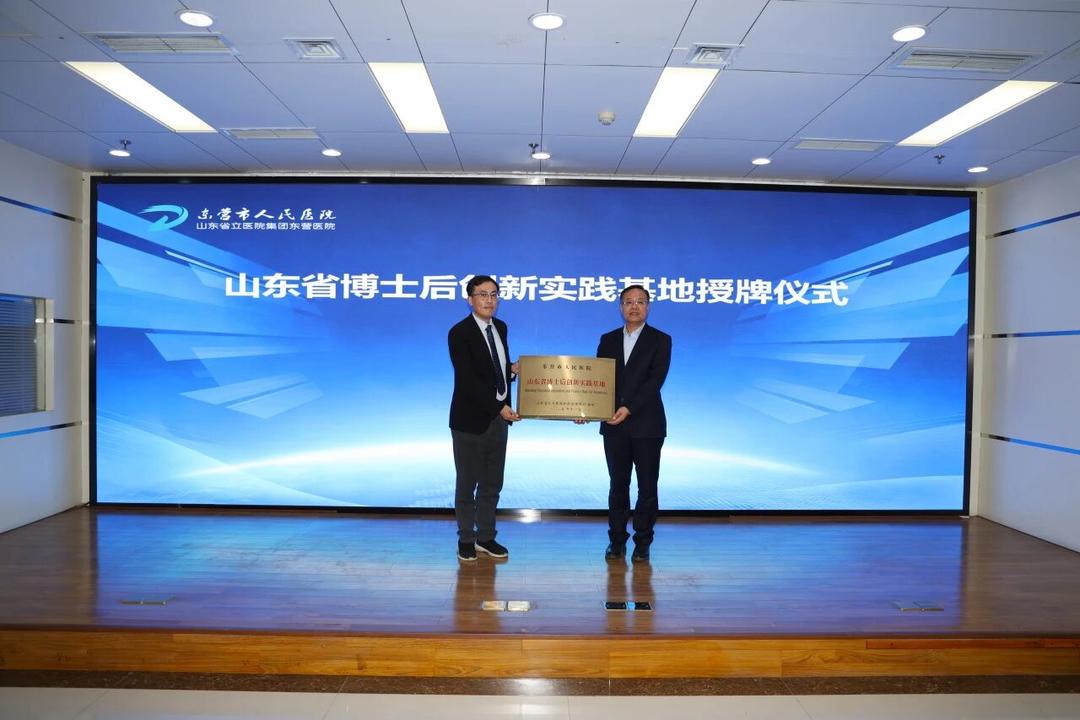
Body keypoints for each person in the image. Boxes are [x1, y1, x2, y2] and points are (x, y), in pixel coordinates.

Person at [596, 284, 671, 562]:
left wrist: (628, 408)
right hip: (613, 424)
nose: (634, 306)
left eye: (640, 301)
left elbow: (655, 381)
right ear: (621, 307)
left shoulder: (661, 340)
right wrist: (587, 409)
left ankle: (643, 541)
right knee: (618, 485)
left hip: (647, 425)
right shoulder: (608, 339)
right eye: (629, 301)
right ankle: (616, 540)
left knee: (647, 487)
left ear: (648, 307)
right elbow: (598, 381)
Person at [448, 275, 520, 562]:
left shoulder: (500, 327)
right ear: (470, 299)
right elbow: (468, 380)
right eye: (482, 294)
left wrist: (512, 369)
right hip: (470, 420)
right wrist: (498, 406)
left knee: (492, 483)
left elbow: (493, 368)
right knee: (467, 483)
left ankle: (486, 537)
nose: (489, 300)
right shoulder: (459, 332)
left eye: (494, 294)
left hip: (498, 420)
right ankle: (466, 539)